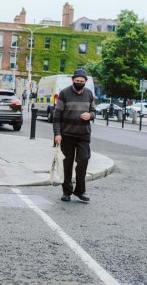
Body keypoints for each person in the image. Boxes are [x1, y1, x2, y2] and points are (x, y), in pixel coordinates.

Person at [53, 68, 96, 203]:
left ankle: (80, 191)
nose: (79, 83)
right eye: (77, 81)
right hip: (67, 134)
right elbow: (57, 116)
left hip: (84, 135)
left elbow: (94, 112)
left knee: (83, 161)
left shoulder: (89, 94)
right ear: (73, 80)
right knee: (67, 163)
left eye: (81, 81)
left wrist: (90, 115)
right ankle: (67, 192)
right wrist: (57, 134)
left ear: (85, 82)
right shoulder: (64, 93)